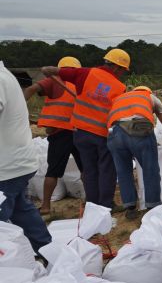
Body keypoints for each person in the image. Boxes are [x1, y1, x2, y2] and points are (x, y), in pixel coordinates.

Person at [42, 48, 130, 209]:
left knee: (89, 170)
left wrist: (50, 72)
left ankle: (92, 205)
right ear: (117, 67)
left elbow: (50, 70)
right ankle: (105, 205)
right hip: (102, 136)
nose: (122, 73)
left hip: (81, 134)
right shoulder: (120, 87)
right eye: (123, 70)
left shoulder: (86, 73)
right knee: (106, 171)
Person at [0, 60, 52, 253]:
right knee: (22, 210)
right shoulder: (6, 76)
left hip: (7, 165)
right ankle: (48, 251)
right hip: (15, 162)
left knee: (3, 220)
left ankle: (9, 266)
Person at [22, 56, 84, 214]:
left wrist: (18, 108)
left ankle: (45, 206)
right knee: (86, 169)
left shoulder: (55, 81)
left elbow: (30, 89)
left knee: (53, 171)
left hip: (61, 134)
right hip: (79, 132)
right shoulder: (79, 85)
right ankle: (90, 201)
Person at [106, 86, 162, 220]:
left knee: (124, 172)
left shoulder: (119, 98)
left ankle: (130, 209)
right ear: (147, 91)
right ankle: (153, 207)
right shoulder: (150, 97)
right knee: (150, 170)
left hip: (114, 133)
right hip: (139, 129)